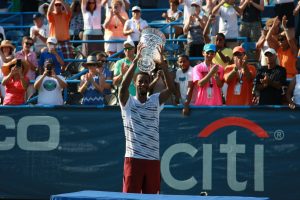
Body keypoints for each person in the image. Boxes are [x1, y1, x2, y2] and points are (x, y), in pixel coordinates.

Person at [119, 44, 175, 194]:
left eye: (145, 81)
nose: (143, 84)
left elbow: (171, 89)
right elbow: (122, 88)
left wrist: (163, 64)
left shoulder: (155, 100)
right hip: (133, 159)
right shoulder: (127, 102)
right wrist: (135, 61)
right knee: (129, 198)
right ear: (135, 84)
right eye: (140, 81)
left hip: (152, 160)